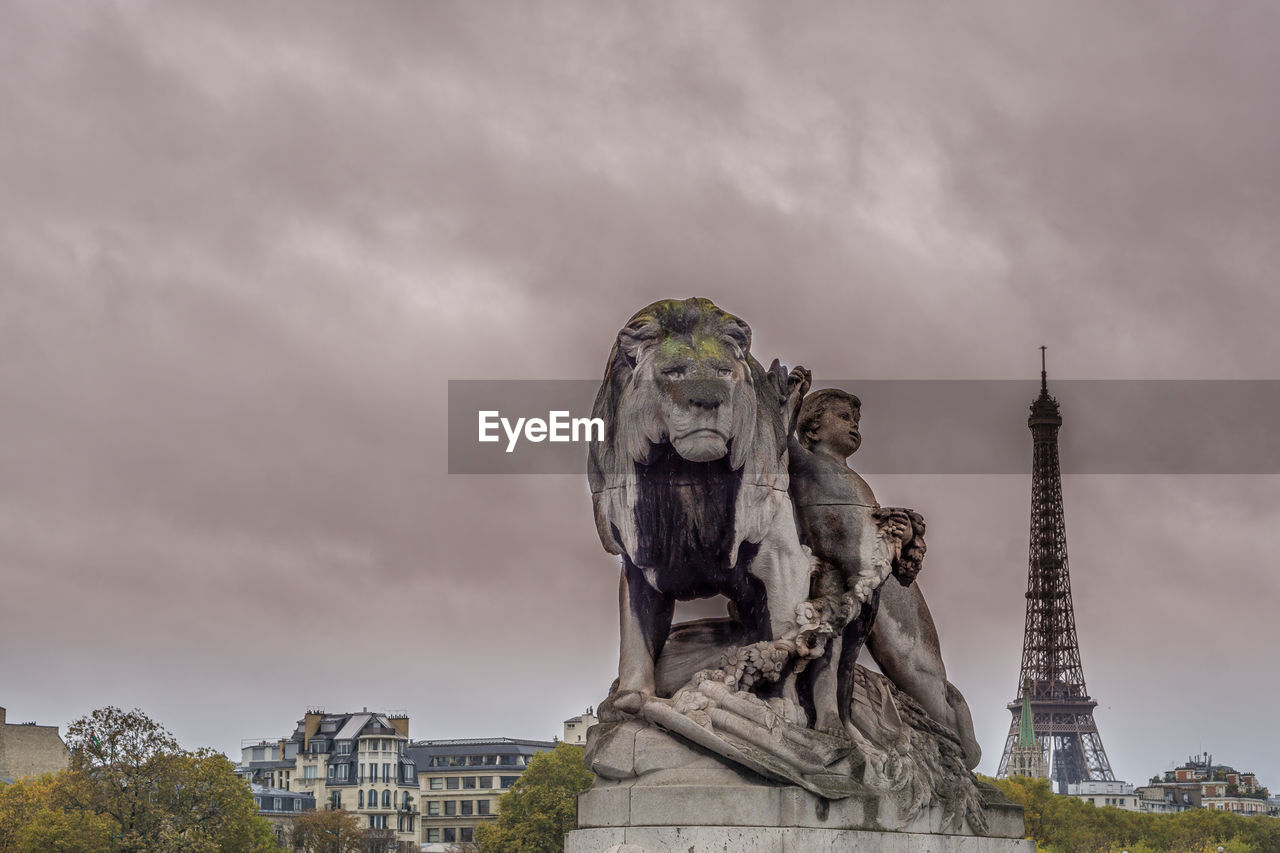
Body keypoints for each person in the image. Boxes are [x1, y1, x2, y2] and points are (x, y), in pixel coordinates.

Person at [786, 379, 981, 769]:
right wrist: (790, 399)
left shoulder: (849, 474)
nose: (854, 424)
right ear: (812, 429)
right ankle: (943, 740)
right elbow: (776, 434)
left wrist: (903, 528)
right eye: (843, 417)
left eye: (856, 418)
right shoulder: (805, 462)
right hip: (844, 578)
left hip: (878, 577)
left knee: (917, 667)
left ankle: (953, 737)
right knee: (859, 658)